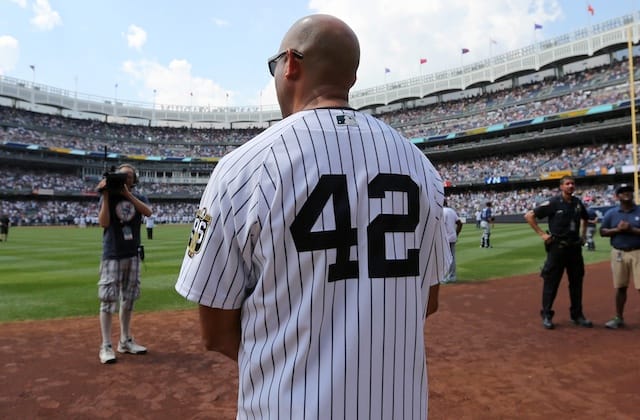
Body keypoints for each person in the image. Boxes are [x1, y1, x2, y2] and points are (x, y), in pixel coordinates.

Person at [175, 14, 450, 419]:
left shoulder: (243, 168)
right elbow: (427, 301)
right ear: (350, 79)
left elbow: (215, 331)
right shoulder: (420, 166)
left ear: (290, 63)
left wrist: (300, 369)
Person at [96, 164, 153, 364]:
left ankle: (125, 340)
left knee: (129, 299)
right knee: (108, 300)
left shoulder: (139, 198)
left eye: (129, 176)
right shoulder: (108, 198)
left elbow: (148, 212)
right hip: (113, 253)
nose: (125, 178)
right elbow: (103, 223)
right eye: (121, 175)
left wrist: (127, 194)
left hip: (132, 253)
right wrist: (105, 195)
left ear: (134, 179)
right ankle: (106, 345)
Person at [524, 175, 593, 330]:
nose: (570, 186)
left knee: (576, 283)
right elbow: (529, 216)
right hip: (558, 248)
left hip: (574, 248)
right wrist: (542, 234)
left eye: (572, 184)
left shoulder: (577, 203)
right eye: (567, 184)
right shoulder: (554, 202)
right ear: (561, 186)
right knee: (551, 283)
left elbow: (585, 218)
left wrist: (583, 236)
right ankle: (547, 315)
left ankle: (577, 315)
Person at [599, 184, 640, 329]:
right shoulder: (611, 213)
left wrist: (631, 229)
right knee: (620, 286)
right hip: (618, 252)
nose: (626, 193)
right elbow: (602, 232)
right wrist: (617, 229)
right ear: (617, 196)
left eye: (628, 191)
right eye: (622, 192)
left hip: (638, 252)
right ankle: (619, 317)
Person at [442, 199, 463, 283]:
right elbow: (460, 223)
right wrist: (456, 234)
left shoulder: (441, 211)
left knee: (443, 258)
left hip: (444, 238)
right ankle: (452, 276)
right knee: (452, 257)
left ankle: (443, 277)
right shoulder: (451, 210)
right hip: (452, 237)